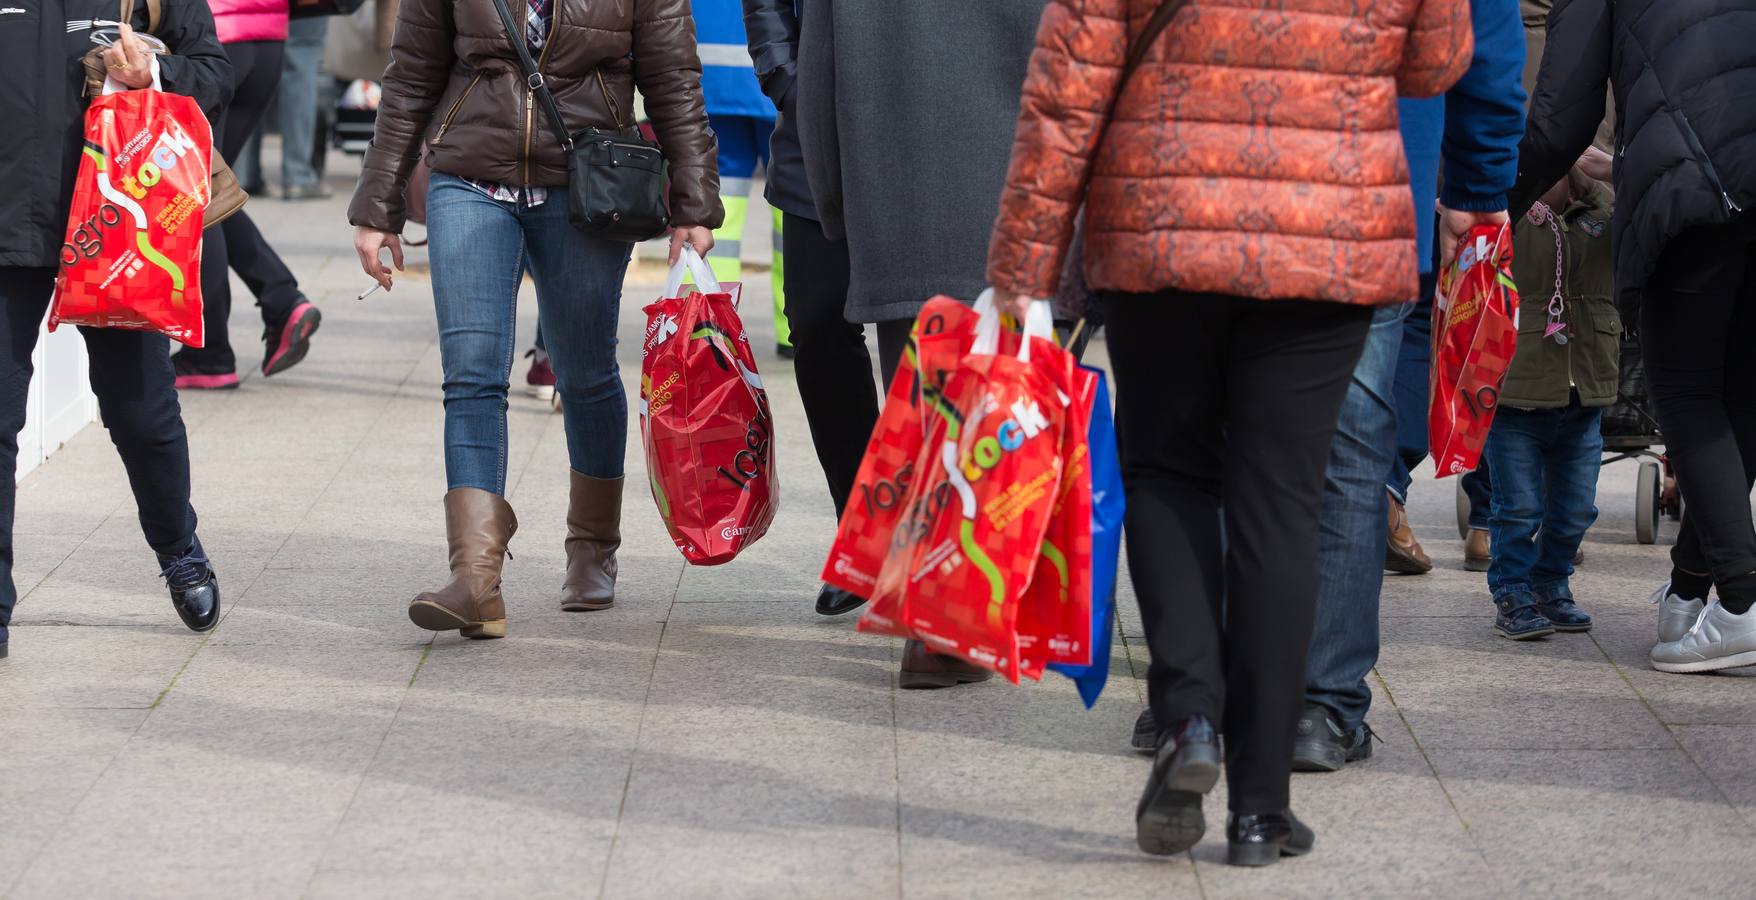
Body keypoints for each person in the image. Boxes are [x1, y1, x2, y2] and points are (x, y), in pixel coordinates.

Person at [989, 0, 1471, 865]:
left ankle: (1188, 719)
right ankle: (1260, 810)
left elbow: (1068, 85)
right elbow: (1436, 60)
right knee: (1282, 505)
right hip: (1326, 229)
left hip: (1161, 220)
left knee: (1170, 471)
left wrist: (1023, 266)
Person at [349, 0, 721, 639]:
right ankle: (476, 580)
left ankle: (593, 548)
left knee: (585, 375)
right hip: (467, 179)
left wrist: (693, 203)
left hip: (587, 180)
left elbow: (673, 82)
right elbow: (410, 75)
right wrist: (377, 205)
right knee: (470, 376)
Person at [790, 0, 1051, 688]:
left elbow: (817, 86)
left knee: (931, 412)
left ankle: (941, 625)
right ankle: (967, 615)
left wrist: (839, 210)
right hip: (1018, 191)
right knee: (1013, 418)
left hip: (897, 201)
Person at [1294, 0, 1525, 771]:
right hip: (1372, 171)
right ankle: (1321, 706)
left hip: (1195, 181)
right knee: (1351, 445)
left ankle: (1193, 695)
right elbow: (1481, 31)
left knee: (1217, 434)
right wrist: (1478, 180)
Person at [1513, 0, 1756, 674]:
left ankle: (1740, 602)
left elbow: (1560, 115)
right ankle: (1690, 593)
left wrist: (1493, 205)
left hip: (1694, 183)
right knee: (1740, 390)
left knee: (1687, 389)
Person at [0, 1, 231, 659]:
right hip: (6, 223)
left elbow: (215, 74)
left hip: (115, 228)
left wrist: (154, 72)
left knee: (142, 413)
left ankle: (177, 546)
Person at [1484, 164, 1617, 640]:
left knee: (1577, 509)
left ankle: (1551, 581)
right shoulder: (1510, 210)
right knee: (1517, 508)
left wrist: (1603, 169)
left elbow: (1641, 203)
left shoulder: (1601, 210)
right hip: (1517, 393)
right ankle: (1512, 590)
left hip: (1582, 396)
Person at [176, 0, 323, 389]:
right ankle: (281, 299)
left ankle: (210, 353)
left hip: (212, 43)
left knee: (197, 196)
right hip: (268, 39)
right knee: (208, 189)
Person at [692, 0, 788, 357]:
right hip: (777, 70)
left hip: (708, 70)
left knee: (715, 209)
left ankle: (708, 329)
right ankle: (794, 329)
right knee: (791, 205)